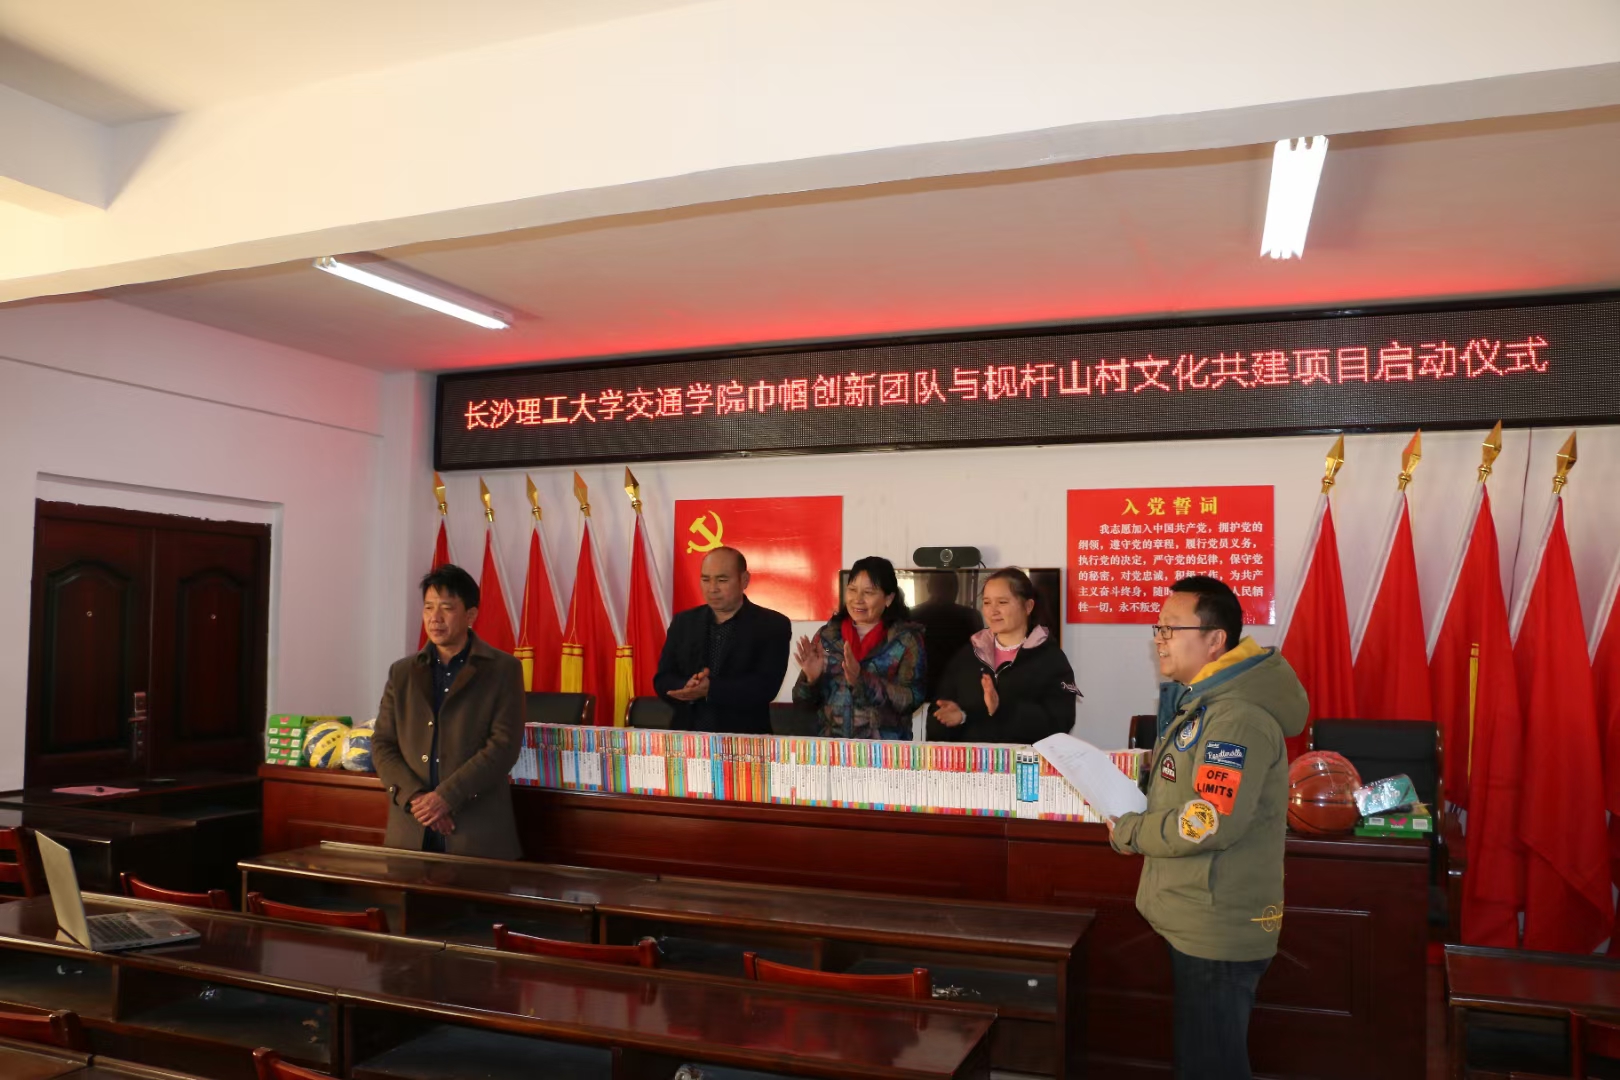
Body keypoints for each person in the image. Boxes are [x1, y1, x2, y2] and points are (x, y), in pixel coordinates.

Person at [1106, 575, 1307, 1080]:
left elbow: (1207, 822)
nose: (1160, 639)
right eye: (1158, 628)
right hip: (1198, 911)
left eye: (1171, 628)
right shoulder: (1206, 703)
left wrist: (1131, 831)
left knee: (1210, 1066)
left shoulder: (1236, 718)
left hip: (1217, 922)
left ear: (1215, 639)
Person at [372, 564, 526, 859]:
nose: (435, 618)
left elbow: (503, 746)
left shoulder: (503, 670)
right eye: (428, 607)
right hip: (411, 829)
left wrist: (446, 797)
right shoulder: (402, 672)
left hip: (476, 831)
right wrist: (418, 799)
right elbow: (383, 744)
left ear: (470, 615)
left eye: (446, 608)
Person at [926, 568, 1077, 744]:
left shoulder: (1051, 659)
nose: (993, 611)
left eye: (1002, 602)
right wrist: (955, 718)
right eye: (987, 602)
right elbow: (936, 717)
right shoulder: (968, 655)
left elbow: (1060, 723)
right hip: (974, 760)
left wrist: (1002, 708)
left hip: (1025, 760)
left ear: (1028, 606)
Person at [654, 546, 792, 734]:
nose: (712, 589)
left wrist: (711, 689)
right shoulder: (684, 622)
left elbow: (766, 686)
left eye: (722, 580)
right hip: (687, 738)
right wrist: (687, 686)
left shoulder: (772, 625)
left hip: (744, 740)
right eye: (705, 579)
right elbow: (663, 678)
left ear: (744, 580)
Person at [792, 556, 925, 740]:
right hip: (833, 748)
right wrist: (811, 680)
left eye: (868, 592)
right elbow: (802, 705)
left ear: (888, 598)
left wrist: (861, 680)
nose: (857, 599)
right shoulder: (827, 636)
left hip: (884, 750)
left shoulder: (906, 640)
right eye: (852, 590)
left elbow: (913, 699)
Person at [910, 571, 982, 700]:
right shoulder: (970, 616)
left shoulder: (912, 615)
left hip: (921, 686)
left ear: (928, 587)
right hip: (959, 687)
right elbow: (980, 656)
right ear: (956, 589)